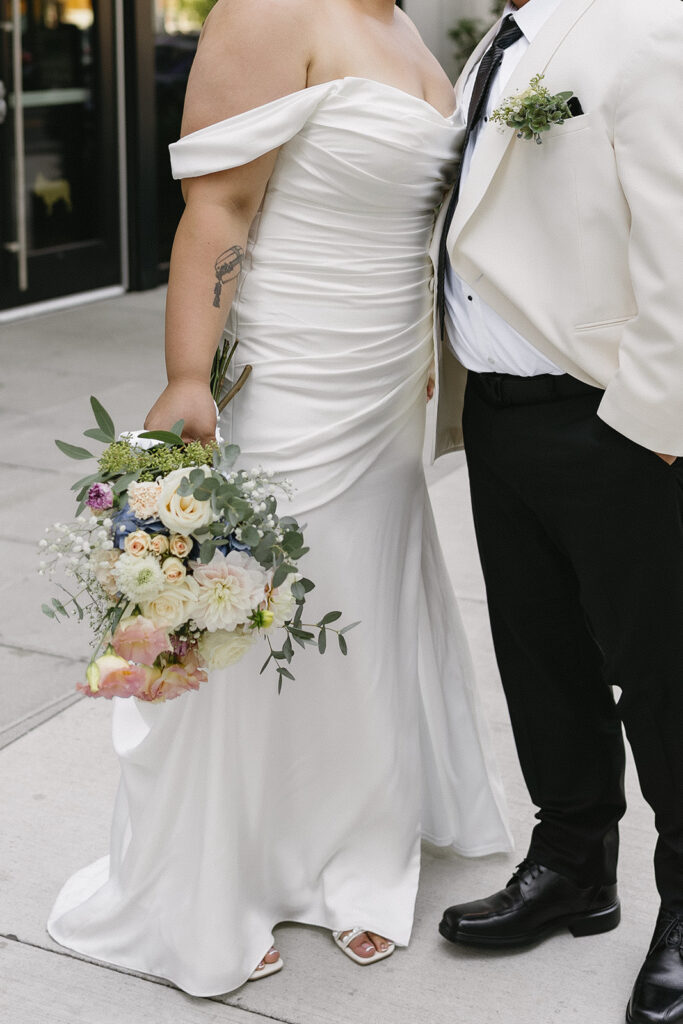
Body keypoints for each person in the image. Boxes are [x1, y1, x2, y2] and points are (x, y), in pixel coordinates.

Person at [46, 0, 512, 996]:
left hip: (387, 381)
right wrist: (185, 374)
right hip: (293, 373)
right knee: (257, 619)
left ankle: (351, 853)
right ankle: (221, 877)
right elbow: (219, 208)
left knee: (366, 611)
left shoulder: (402, 29)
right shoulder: (267, 11)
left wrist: (425, 346)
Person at [431, 0, 683, 1021]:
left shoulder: (647, 23)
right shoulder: (496, 41)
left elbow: (676, 225)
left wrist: (658, 415)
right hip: (497, 413)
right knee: (538, 656)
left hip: (612, 420)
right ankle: (574, 861)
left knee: (661, 673)